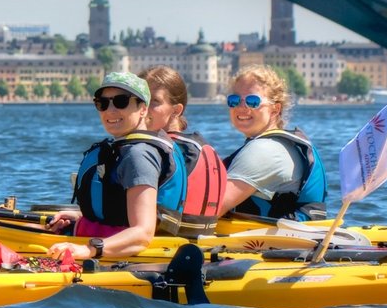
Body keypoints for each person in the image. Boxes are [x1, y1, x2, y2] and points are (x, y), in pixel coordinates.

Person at [46, 71, 186, 262]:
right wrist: (80, 217)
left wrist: (87, 250)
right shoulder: (132, 148)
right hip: (119, 247)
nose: (110, 110)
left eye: (121, 101)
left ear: (143, 109)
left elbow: (142, 233)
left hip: (136, 259)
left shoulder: (138, 155)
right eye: (102, 103)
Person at [219, 65, 327, 220]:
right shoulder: (279, 145)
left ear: (275, 109)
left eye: (253, 101)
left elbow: (209, 210)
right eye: (234, 100)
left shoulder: (264, 150)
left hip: (271, 243)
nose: (242, 107)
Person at [139, 65, 228, 236]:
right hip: (201, 246)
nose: (143, 108)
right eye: (140, 100)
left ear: (176, 110)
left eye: (154, 102)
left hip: (161, 246)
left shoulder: (156, 151)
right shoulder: (206, 149)